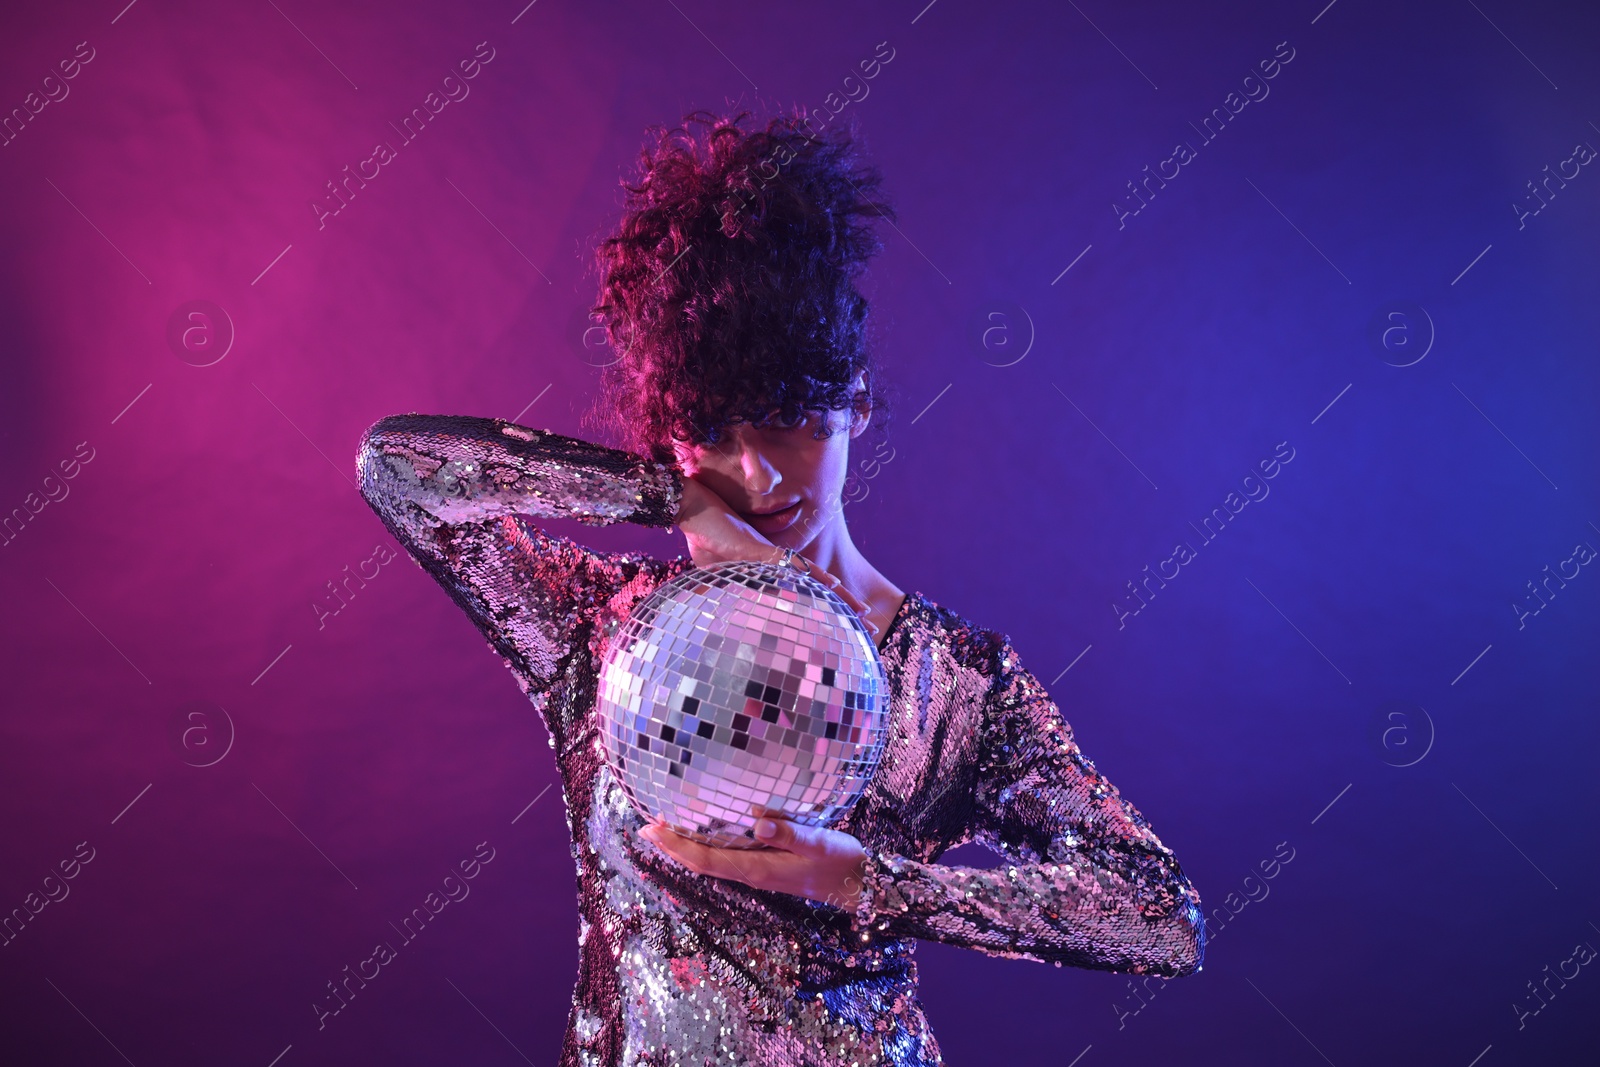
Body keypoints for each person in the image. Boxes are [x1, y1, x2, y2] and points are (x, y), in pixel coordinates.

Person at [356, 109, 1204, 1067]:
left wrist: (873, 883)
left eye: (795, 419)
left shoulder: (956, 681)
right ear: (669, 431)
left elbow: (1157, 915)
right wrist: (664, 493)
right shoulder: (597, 632)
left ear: (858, 405)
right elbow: (399, 468)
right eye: (716, 431)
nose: (758, 477)